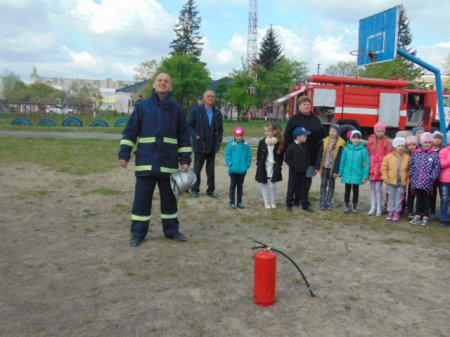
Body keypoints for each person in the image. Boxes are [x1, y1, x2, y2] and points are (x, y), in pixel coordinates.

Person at [118, 73, 192, 247]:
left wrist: (185, 159)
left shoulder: (177, 109)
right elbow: (130, 132)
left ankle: (171, 231)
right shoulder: (142, 107)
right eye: (160, 80)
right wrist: (124, 154)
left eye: (167, 81)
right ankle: (138, 233)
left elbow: (184, 137)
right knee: (141, 201)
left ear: (171, 87)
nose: (163, 83)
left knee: (170, 201)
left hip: (168, 164)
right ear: (154, 85)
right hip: (146, 162)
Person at [284, 96, 325, 207]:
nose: (306, 106)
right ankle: (295, 198)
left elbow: (322, 134)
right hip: (297, 155)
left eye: (308, 104)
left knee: (307, 178)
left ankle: (304, 198)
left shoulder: (315, 119)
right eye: (304, 104)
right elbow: (287, 136)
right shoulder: (294, 119)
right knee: (296, 178)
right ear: (299, 106)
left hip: (312, 154)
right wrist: (288, 151)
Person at [189, 90, 224, 198]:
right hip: (200, 145)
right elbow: (188, 126)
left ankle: (211, 190)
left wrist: (218, 142)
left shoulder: (218, 113)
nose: (211, 98)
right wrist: (195, 135)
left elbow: (220, 130)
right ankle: (195, 189)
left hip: (212, 145)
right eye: (208, 96)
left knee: (210, 170)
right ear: (204, 98)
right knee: (197, 169)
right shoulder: (196, 111)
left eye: (213, 96)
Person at [409, 132, 441, 227]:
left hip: (428, 182)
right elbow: (412, 166)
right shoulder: (417, 154)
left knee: (427, 199)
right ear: (422, 143)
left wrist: (432, 177)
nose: (427, 144)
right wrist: (413, 176)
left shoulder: (434, 155)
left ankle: (425, 216)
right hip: (417, 182)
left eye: (429, 142)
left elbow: (437, 168)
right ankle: (418, 214)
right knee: (419, 198)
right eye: (425, 142)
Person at [315, 124, 346, 210]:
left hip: (333, 168)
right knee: (323, 184)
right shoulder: (325, 141)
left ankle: (329, 201)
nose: (332, 133)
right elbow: (320, 154)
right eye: (330, 130)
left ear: (338, 133)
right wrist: (317, 166)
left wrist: (336, 170)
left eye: (334, 131)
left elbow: (340, 158)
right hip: (324, 166)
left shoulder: (341, 143)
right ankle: (322, 201)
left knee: (331, 185)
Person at [339, 130, 370, 214]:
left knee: (356, 190)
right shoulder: (346, 149)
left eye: (358, 138)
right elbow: (342, 161)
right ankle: (346, 205)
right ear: (351, 138)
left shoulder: (363, 150)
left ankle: (354, 206)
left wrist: (365, 176)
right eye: (354, 138)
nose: (356, 140)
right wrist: (340, 172)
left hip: (357, 174)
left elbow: (366, 163)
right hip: (347, 173)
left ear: (360, 139)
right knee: (347, 190)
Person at [255, 123, 285, 209]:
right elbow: (258, 155)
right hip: (264, 167)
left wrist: (279, 165)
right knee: (264, 184)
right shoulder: (262, 142)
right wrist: (259, 165)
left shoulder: (279, 143)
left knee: (272, 185)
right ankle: (266, 202)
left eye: (269, 131)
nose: (266, 133)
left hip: (274, 167)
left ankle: (273, 201)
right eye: (265, 131)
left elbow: (281, 156)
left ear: (275, 132)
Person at [381, 137, 411, 222]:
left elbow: (409, 170)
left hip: (402, 183)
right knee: (391, 197)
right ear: (394, 146)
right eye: (399, 145)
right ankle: (390, 212)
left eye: (402, 146)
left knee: (399, 199)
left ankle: (397, 213)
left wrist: (408, 180)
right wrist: (385, 178)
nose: (401, 147)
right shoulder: (388, 157)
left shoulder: (407, 157)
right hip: (391, 182)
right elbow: (384, 168)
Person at [285, 127, 313, 212]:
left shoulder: (304, 147)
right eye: (304, 136)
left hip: (303, 173)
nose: (306, 137)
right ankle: (289, 204)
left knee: (303, 189)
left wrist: (306, 165)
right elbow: (287, 159)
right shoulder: (291, 147)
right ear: (298, 136)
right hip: (294, 173)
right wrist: (293, 166)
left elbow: (307, 157)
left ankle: (305, 205)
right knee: (291, 188)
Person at [367, 121, 392, 216]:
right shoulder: (371, 141)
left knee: (378, 188)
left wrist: (386, 167)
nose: (380, 133)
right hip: (373, 167)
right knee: (372, 188)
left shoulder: (387, 142)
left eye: (382, 131)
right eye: (378, 131)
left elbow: (389, 155)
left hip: (381, 167)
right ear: (375, 131)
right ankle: (373, 207)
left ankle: (379, 208)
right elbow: (368, 153)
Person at [225, 126, 252, 209]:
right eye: (237, 136)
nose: (239, 137)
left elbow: (249, 156)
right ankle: (232, 201)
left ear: (243, 136)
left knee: (240, 186)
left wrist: (247, 165)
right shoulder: (231, 144)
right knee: (233, 186)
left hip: (242, 171)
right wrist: (230, 164)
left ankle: (239, 202)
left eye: (240, 136)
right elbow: (227, 155)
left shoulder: (246, 145)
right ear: (234, 136)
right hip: (233, 170)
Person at [429, 130, 444, 221]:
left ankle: (444, 213)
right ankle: (432, 212)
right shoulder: (429, 150)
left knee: (443, 195)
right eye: (435, 138)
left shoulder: (443, 150)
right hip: (431, 177)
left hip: (442, 177)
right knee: (432, 194)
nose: (437, 140)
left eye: (439, 138)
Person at [405, 135, 419, 219]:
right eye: (409, 144)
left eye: (413, 144)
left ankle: (418, 211)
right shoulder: (406, 154)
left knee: (418, 195)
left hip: (417, 178)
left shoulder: (419, 153)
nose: (411, 146)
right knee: (410, 195)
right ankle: (409, 210)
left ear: (417, 145)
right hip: (409, 178)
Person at [438, 133, 450, 227]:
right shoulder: (444, 151)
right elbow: (442, 164)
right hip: (446, 180)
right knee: (445, 200)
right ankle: (444, 219)